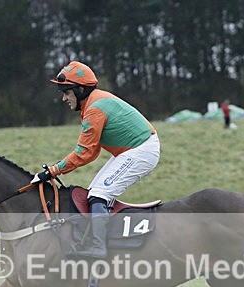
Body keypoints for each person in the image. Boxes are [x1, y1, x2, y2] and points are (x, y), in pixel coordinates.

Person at [32, 61, 160, 259]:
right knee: (93, 193)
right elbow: (91, 152)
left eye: (67, 92)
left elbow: (84, 153)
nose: (64, 98)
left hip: (141, 150)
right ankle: (103, 240)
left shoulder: (94, 109)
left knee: (99, 194)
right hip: (135, 149)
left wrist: (52, 171)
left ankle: (98, 247)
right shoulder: (92, 103)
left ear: (80, 90)